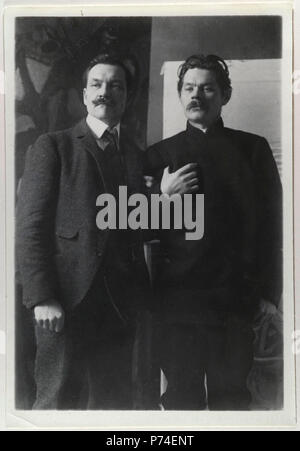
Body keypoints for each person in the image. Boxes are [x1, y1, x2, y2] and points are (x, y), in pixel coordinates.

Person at [145, 54, 282, 410]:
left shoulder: (253, 149)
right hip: (176, 301)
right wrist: (162, 196)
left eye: (207, 88)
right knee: (181, 399)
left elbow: (274, 224)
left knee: (232, 399)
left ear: (225, 95)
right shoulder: (160, 154)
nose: (197, 96)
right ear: (179, 95)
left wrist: (270, 291)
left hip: (234, 301)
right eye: (189, 88)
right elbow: (134, 228)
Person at [16, 53, 150, 410]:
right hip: (64, 303)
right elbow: (30, 228)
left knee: (114, 408)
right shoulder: (54, 146)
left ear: (128, 96)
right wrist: (42, 297)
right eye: (97, 84)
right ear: (85, 93)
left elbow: (135, 226)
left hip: (120, 307)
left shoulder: (137, 156)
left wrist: (162, 200)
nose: (106, 91)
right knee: (56, 404)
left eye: (116, 85)